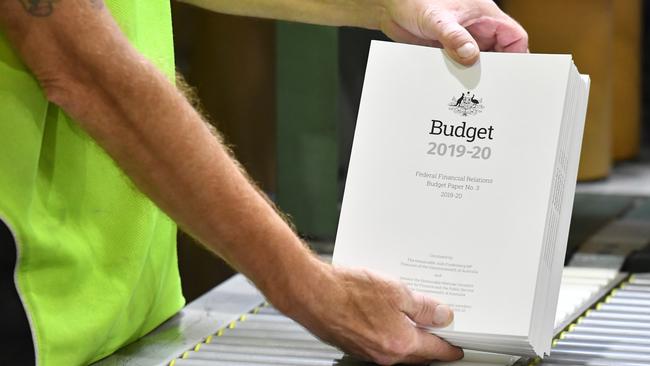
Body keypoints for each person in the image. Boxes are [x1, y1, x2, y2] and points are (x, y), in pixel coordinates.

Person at [0, 0, 527, 365]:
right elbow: (86, 72)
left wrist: (388, 6)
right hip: (28, 316)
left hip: (128, 308)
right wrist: (310, 289)